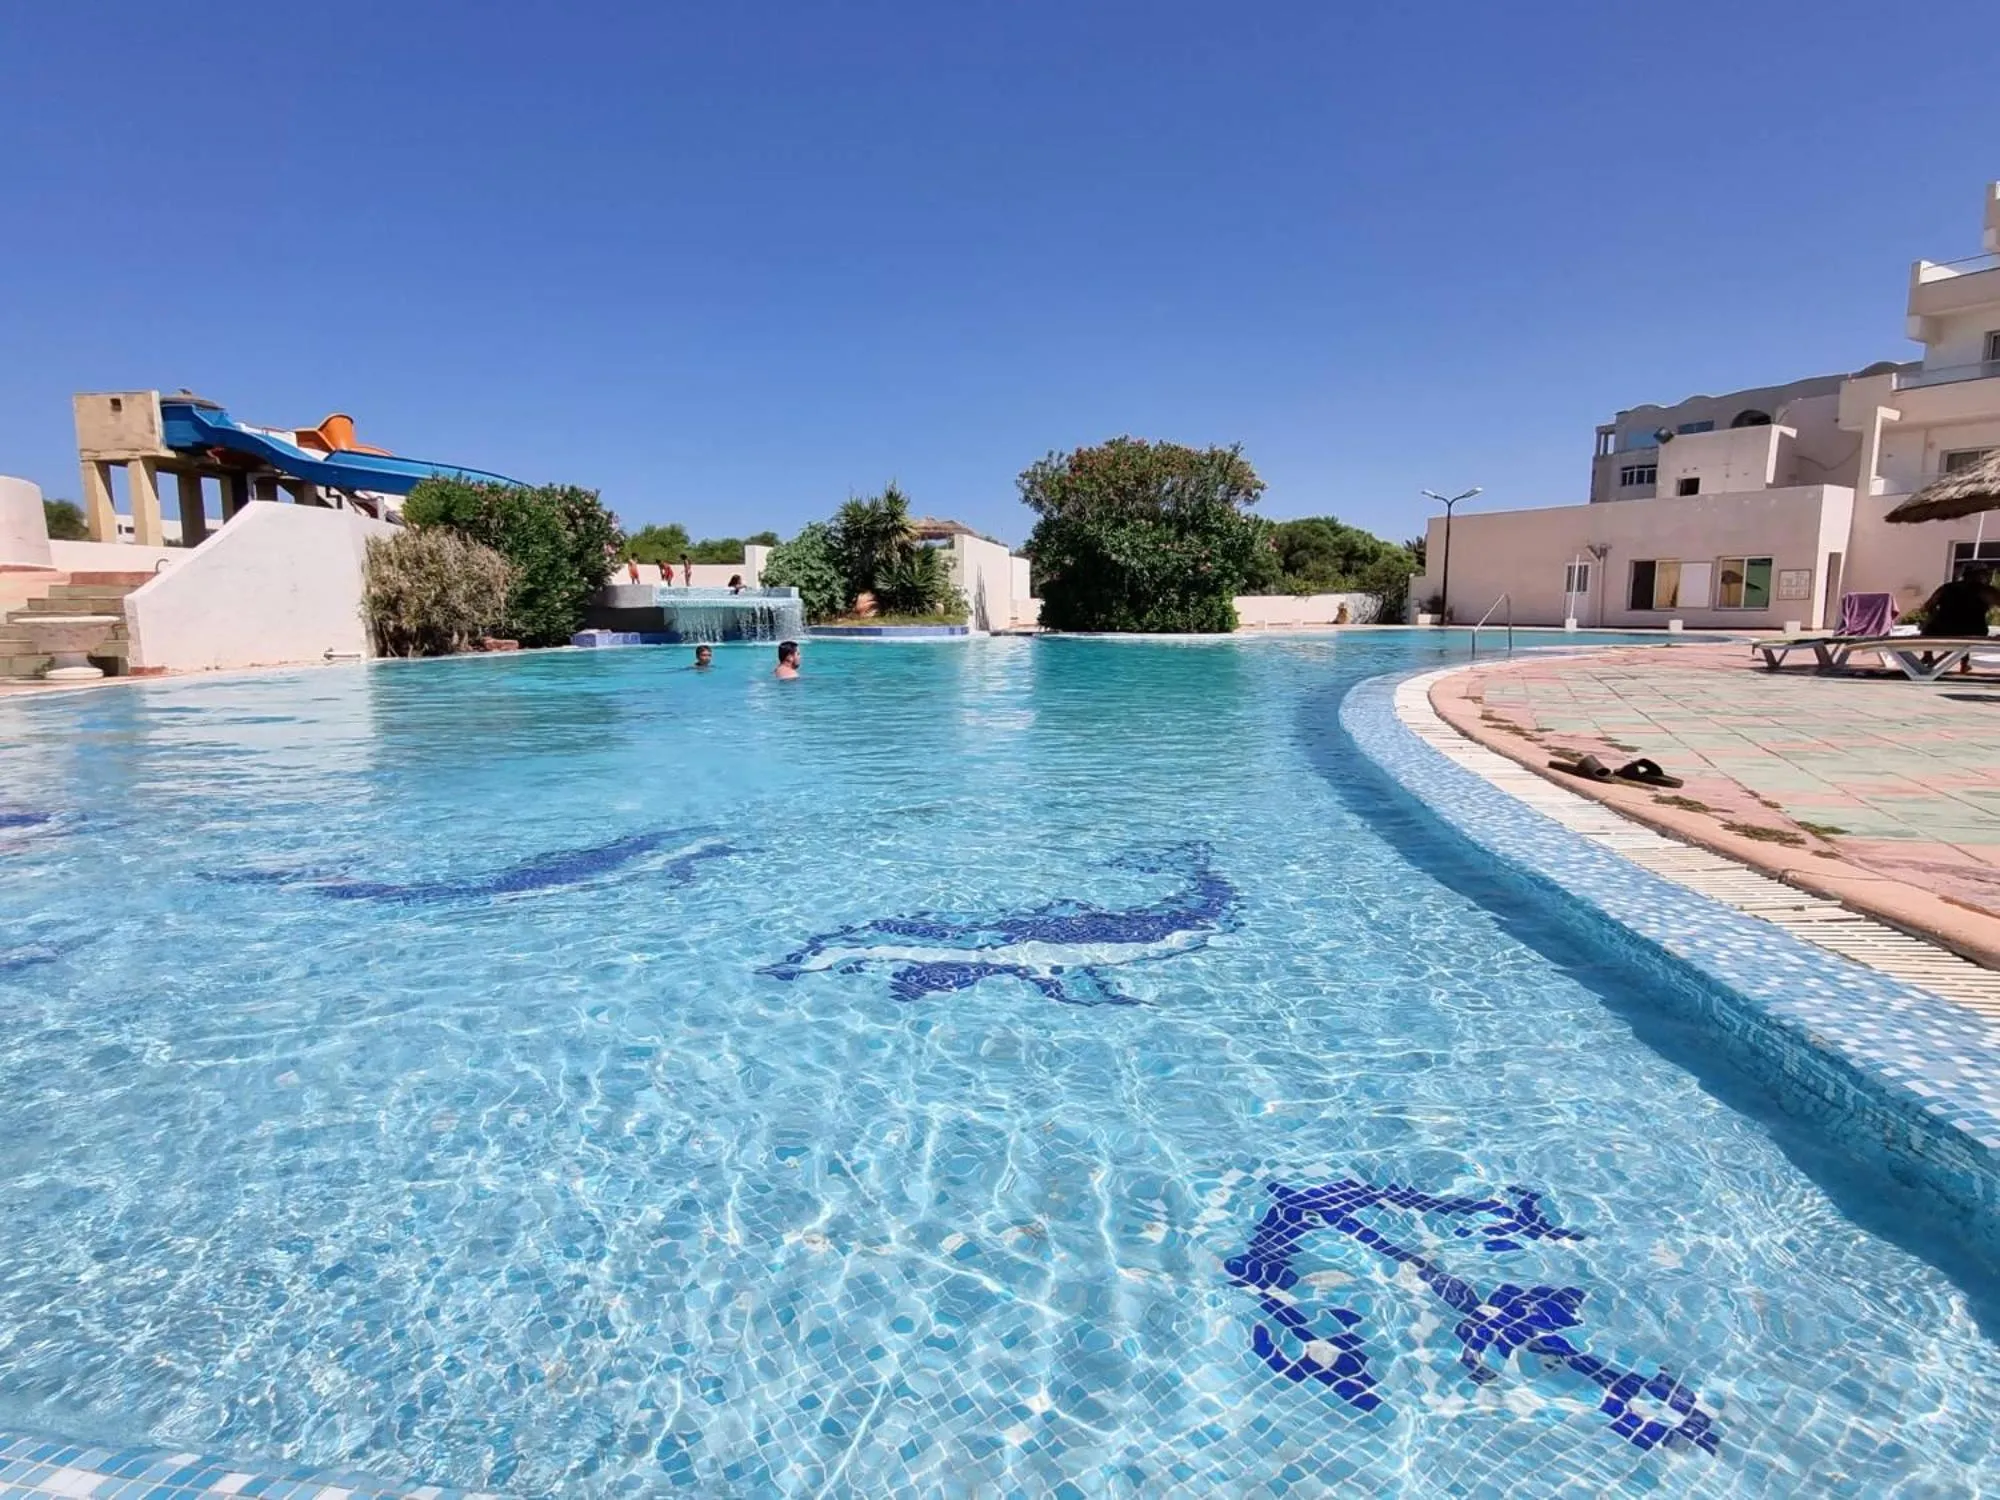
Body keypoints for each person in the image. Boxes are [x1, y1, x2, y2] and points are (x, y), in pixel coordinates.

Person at [1918, 563, 2000, 638]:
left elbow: (1927, 606)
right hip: (1972, 631)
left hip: (1942, 629)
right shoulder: (1985, 590)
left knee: (1928, 628)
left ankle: (1928, 654)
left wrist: (1934, 615)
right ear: (1980, 575)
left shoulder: (1946, 588)